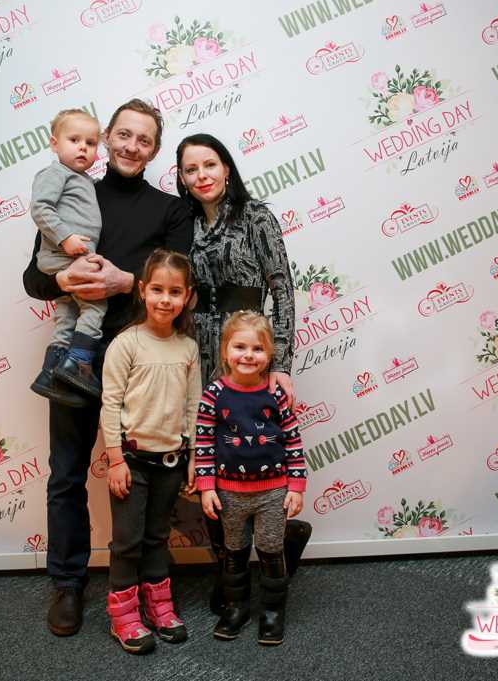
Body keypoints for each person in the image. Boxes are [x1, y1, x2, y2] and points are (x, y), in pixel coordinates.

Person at [23, 100, 193, 637]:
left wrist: (126, 284)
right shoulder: (74, 188)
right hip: (78, 358)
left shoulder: (172, 211)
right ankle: (67, 584)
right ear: (106, 139)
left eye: (144, 140)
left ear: (155, 151)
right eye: (123, 135)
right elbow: (33, 279)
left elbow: (183, 282)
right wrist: (64, 281)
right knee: (67, 473)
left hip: (144, 366)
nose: (130, 147)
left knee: (149, 478)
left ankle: (146, 582)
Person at [175, 133, 312, 613]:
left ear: (227, 168)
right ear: (182, 178)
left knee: (256, 450)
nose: (202, 176)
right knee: (208, 457)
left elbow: (283, 288)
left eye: (209, 165)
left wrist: (282, 363)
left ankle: (282, 540)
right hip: (197, 348)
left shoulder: (256, 217)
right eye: (191, 169)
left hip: (246, 350)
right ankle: (228, 570)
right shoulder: (184, 223)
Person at [101, 250, 201, 654]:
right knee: (128, 540)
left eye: (175, 292)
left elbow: (193, 406)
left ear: (187, 296)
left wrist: (194, 457)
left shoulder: (188, 348)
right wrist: (115, 459)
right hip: (132, 463)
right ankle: (123, 615)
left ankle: (159, 606)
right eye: (157, 289)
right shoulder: (126, 344)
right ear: (142, 291)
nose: (165, 299)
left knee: (158, 536)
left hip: (171, 463)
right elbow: (110, 404)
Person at [195, 311, 307, 646]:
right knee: (235, 552)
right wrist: (206, 487)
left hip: (273, 492)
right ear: (225, 351)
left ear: (269, 355)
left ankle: (272, 612)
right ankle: (236, 607)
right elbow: (203, 444)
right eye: (240, 347)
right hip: (229, 494)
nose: (248, 355)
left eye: (257, 349)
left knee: (271, 551)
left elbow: (293, 441)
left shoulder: (275, 395)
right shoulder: (213, 394)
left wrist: (296, 486)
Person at [30, 109, 105, 400]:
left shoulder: (82, 179)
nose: (83, 147)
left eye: (90, 143)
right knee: (96, 305)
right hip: (66, 256)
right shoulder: (55, 173)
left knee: (67, 312)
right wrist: (65, 238)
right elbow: (40, 208)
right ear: (54, 143)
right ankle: (79, 363)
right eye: (74, 140)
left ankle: (51, 371)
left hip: (69, 258)